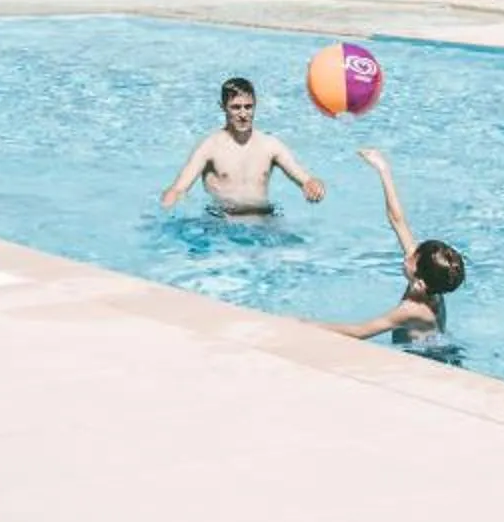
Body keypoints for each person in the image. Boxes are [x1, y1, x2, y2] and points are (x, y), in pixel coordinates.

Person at [321, 147, 466, 347]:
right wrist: (383, 169)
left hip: (427, 361)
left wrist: (302, 325)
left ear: (420, 281)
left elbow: (358, 332)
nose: (407, 256)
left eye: (411, 259)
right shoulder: (432, 280)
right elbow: (397, 219)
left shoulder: (413, 309)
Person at [162, 75, 325, 216]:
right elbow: (179, 188)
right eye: (235, 107)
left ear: (255, 105)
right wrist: (168, 205)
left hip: (265, 220)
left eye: (248, 107)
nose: (243, 114)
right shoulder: (209, 148)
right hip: (224, 224)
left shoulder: (270, 146)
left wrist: (313, 187)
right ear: (223, 107)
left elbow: (306, 179)